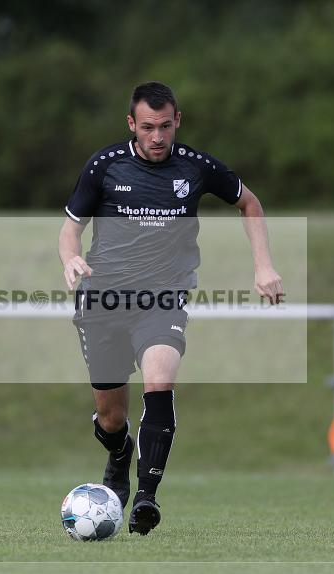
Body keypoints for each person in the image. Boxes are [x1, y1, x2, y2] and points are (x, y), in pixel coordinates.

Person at [58, 82, 283, 534]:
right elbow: (71, 225)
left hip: (163, 297)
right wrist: (71, 257)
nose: (157, 137)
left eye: (165, 126)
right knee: (111, 417)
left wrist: (264, 267)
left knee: (160, 379)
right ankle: (119, 455)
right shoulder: (105, 165)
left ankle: (146, 498)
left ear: (177, 120)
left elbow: (250, 203)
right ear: (131, 125)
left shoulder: (196, 167)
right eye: (147, 128)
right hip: (103, 300)